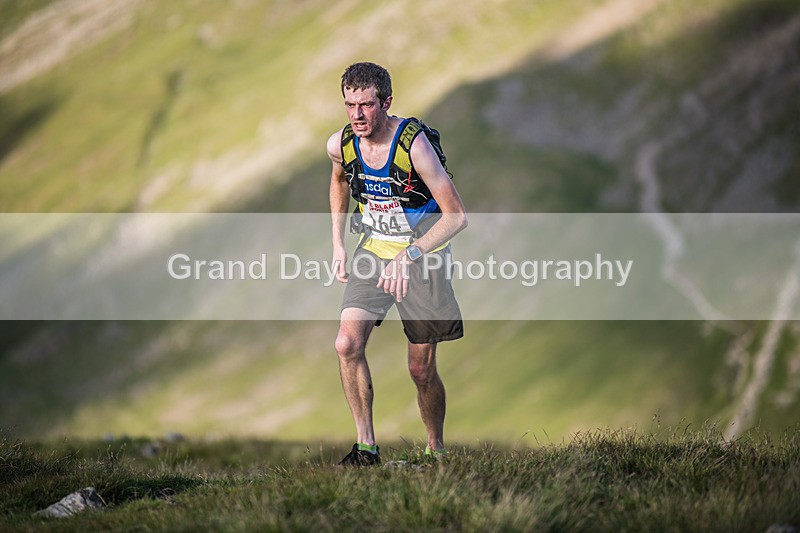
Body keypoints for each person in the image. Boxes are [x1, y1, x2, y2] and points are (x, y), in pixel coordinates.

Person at [327, 62, 468, 466]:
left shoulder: (413, 146)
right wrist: (337, 242)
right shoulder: (342, 145)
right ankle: (366, 448)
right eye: (350, 105)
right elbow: (338, 181)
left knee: (420, 370)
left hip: (424, 255)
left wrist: (410, 255)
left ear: (386, 103)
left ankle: (436, 450)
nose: (357, 115)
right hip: (374, 251)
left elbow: (456, 216)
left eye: (366, 105)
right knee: (346, 343)